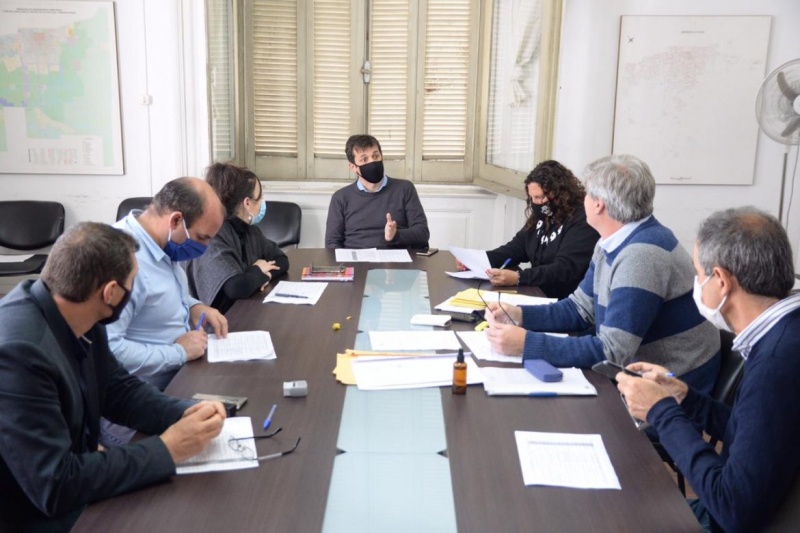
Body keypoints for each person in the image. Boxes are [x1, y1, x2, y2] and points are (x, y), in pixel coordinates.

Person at [0, 222, 226, 532]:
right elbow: (55, 485)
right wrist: (169, 448)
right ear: (110, 292)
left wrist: (183, 412)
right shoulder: (19, 353)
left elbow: (118, 389)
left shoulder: (78, 310)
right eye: (133, 282)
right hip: (31, 511)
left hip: (67, 481)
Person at [616, 207, 800, 533]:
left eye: (699, 275)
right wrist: (684, 398)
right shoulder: (784, 333)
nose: (696, 285)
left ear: (722, 281)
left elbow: (732, 509)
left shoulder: (777, 363)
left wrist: (660, 412)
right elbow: (756, 436)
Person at [485, 154, 720, 393]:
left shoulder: (641, 256)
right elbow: (579, 309)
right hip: (639, 370)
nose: (582, 200)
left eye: (587, 194)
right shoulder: (612, 240)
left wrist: (527, 344)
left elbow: (613, 352)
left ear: (599, 204)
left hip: (674, 385)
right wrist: (519, 315)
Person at [463, 160, 599, 298]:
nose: (536, 203)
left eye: (540, 197)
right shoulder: (542, 216)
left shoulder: (582, 220)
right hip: (536, 292)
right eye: (532, 198)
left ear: (560, 193)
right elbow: (516, 248)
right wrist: (478, 260)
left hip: (563, 300)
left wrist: (519, 277)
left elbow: (564, 269)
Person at [186, 162, 289, 314]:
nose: (262, 203)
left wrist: (265, 276)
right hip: (210, 322)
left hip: (241, 311)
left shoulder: (249, 231)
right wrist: (257, 270)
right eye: (259, 198)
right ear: (247, 203)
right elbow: (236, 287)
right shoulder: (214, 233)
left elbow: (281, 260)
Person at [325, 134, 430, 249]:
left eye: (375, 156)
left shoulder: (405, 189)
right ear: (353, 167)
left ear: (381, 156)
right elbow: (332, 243)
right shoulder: (340, 198)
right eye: (364, 159)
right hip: (356, 257)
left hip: (395, 258)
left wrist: (395, 235)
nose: (372, 162)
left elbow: (422, 232)